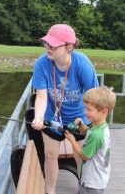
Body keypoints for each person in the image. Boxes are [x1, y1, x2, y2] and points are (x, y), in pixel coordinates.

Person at [31, 23, 99, 194]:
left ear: (69, 46)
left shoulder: (83, 64)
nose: (48, 48)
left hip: (78, 119)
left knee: (80, 157)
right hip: (52, 117)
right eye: (46, 43)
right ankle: (50, 191)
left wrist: (93, 125)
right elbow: (41, 96)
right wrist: (38, 117)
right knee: (50, 155)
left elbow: (94, 98)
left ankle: (82, 189)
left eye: (53, 45)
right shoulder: (42, 63)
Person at [65, 86, 116, 194]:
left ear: (104, 111)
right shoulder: (99, 126)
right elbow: (88, 132)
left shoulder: (97, 135)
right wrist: (81, 125)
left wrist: (72, 140)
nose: (85, 112)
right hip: (97, 178)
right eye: (85, 108)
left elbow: (85, 156)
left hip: (92, 183)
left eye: (89, 109)